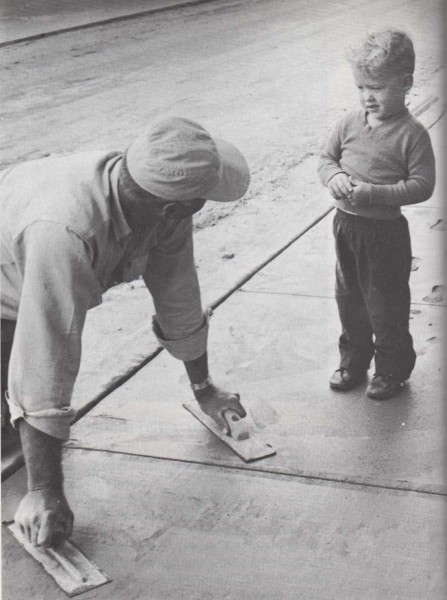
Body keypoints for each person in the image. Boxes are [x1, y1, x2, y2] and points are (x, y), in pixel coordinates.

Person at [1, 116, 250, 548]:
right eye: (205, 200)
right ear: (176, 206)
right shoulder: (66, 230)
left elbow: (178, 297)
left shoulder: (160, 207)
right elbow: (46, 357)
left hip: (24, 264)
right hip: (14, 269)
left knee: (24, 433)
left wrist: (205, 389)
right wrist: (45, 489)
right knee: (14, 440)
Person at [317, 29, 435, 399]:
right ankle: (354, 360)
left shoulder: (412, 134)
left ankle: (391, 369)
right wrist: (334, 177)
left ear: (405, 83)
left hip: (385, 234)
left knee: (386, 305)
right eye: (361, 87)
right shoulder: (348, 123)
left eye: (377, 88)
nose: (367, 96)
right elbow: (326, 158)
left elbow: (422, 185)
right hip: (345, 226)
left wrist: (375, 194)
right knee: (349, 298)